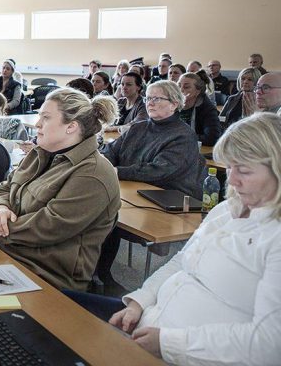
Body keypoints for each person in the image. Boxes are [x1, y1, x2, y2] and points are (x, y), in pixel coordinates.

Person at [106, 113, 281, 365]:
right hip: (149, 324)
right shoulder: (225, 210)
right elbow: (182, 262)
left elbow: (269, 345)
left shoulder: (274, 237)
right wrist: (139, 302)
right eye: (229, 167)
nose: (231, 179)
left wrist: (168, 343)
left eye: (243, 170)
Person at [0, 88, 120, 291]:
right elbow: (4, 188)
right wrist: (0, 209)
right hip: (8, 254)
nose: (37, 124)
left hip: (46, 277)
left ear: (71, 126)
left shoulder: (93, 174)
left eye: (45, 118)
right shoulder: (40, 153)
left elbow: (50, 226)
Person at [98, 81, 205, 292]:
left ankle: (101, 276)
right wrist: (104, 164)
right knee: (100, 212)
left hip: (166, 200)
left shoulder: (183, 135)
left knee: (108, 218)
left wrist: (117, 171)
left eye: (157, 98)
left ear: (174, 104)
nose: (150, 103)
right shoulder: (138, 127)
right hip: (131, 192)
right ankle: (97, 273)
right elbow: (111, 151)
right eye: (148, 98)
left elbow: (157, 171)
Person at [178, 72, 222, 146]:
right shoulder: (170, 104)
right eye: (178, 86)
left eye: (186, 87)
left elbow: (211, 138)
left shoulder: (207, 109)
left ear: (197, 92)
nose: (181, 90)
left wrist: (180, 137)